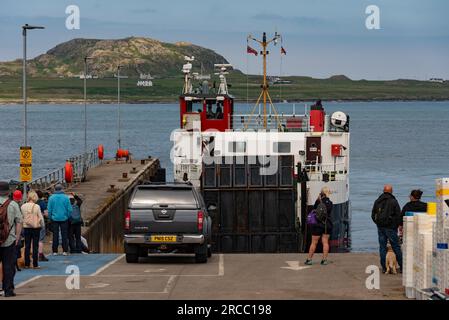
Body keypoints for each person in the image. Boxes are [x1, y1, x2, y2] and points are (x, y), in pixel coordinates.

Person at [372, 184, 403, 274]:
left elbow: (373, 214)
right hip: (391, 228)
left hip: (380, 227)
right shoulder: (393, 201)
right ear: (391, 191)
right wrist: (397, 225)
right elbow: (398, 215)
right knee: (396, 246)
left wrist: (377, 223)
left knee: (382, 247)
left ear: (383, 191)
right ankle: (402, 266)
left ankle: (384, 267)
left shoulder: (377, 201)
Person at [0, 181, 23, 297]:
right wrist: (17, 237)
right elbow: (19, 222)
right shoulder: (13, 204)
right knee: (8, 265)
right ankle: (8, 290)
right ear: (7, 192)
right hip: (9, 239)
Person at [305, 186, 333, 265]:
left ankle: (309, 259)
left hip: (317, 224)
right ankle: (324, 260)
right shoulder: (330, 203)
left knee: (314, 243)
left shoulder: (318, 201)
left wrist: (318, 199)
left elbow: (314, 210)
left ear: (321, 193)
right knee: (325, 242)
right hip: (327, 225)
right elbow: (329, 212)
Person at [21, 191, 44, 269]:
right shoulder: (37, 206)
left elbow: (22, 217)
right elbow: (40, 218)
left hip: (26, 227)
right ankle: (35, 264)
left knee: (27, 245)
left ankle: (27, 264)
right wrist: (42, 225)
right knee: (35, 246)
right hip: (35, 227)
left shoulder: (23, 206)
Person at [47, 184, 72, 256]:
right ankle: (65, 250)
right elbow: (69, 209)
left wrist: (50, 217)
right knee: (64, 234)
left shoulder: (51, 198)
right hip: (64, 218)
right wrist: (67, 216)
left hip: (54, 218)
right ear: (61, 189)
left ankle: (55, 251)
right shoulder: (66, 197)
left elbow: (49, 210)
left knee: (55, 235)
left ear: (55, 189)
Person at [36, 190, 49, 261]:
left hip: (31, 224)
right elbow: (46, 214)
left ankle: (34, 254)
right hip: (40, 222)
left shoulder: (31, 203)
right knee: (40, 239)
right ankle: (40, 254)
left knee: (33, 239)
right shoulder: (42, 203)